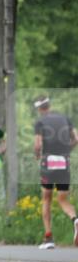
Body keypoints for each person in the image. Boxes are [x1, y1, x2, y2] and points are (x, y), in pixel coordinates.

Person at [32, 95, 78, 249]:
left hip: (49, 162)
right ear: (49, 105)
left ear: (39, 108)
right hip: (64, 161)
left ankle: (48, 238)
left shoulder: (40, 122)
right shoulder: (65, 118)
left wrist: (37, 155)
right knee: (63, 199)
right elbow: (76, 138)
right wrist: (66, 151)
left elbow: (38, 145)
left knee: (46, 199)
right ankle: (75, 219)